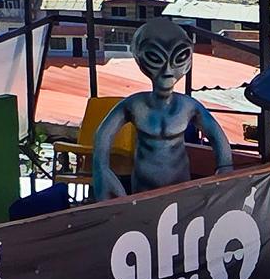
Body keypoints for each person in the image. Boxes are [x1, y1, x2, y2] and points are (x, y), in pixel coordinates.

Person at [92, 16, 234, 199]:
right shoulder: (134, 105)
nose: (167, 70)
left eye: (178, 57)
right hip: (143, 189)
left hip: (180, 187)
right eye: (155, 58)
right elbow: (103, 135)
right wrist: (101, 169)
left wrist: (225, 168)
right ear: (140, 59)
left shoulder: (188, 107)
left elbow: (217, 137)